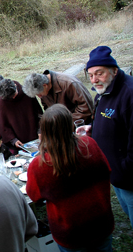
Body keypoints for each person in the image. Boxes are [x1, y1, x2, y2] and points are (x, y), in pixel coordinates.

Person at [27, 104, 114, 251]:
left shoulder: (40, 165)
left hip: (71, 233)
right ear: (70, 125)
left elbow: (34, 196)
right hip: (100, 224)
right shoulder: (89, 145)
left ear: (46, 131)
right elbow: (107, 170)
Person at [77, 45, 133, 229]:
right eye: (91, 75)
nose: (94, 80)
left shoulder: (129, 94)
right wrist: (93, 129)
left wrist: (124, 169)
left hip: (128, 176)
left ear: (114, 71)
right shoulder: (103, 92)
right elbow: (110, 120)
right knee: (126, 210)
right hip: (114, 171)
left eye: (99, 73)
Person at [23, 69, 94, 125]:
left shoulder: (69, 83)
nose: (39, 96)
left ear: (45, 85)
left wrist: (67, 124)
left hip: (82, 126)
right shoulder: (43, 90)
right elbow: (48, 109)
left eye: (39, 94)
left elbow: (86, 107)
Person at [0, 79, 42, 149]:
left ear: (15, 86)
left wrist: (40, 130)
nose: (13, 97)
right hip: (20, 143)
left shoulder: (27, 93)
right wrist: (13, 140)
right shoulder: (2, 102)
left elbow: (39, 114)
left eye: (14, 94)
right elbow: (3, 125)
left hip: (36, 136)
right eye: (10, 98)